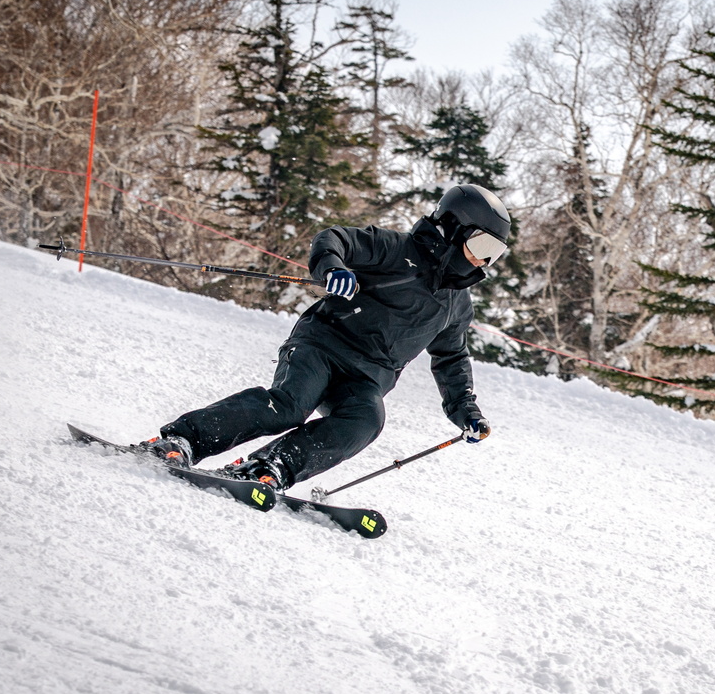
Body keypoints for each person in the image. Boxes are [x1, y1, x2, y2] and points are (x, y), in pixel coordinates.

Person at [137, 184, 511, 491]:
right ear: (452, 227)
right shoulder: (395, 250)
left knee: (366, 420)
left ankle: (272, 466)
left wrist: (466, 410)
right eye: (482, 247)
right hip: (322, 345)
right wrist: (333, 266)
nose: (484, 262)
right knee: (289, 405)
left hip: (367, 377)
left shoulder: (456, 304)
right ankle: (183, 439)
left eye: (495, 254)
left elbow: (451, 359)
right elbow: (334, 239)